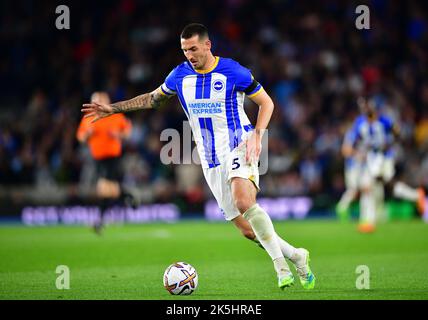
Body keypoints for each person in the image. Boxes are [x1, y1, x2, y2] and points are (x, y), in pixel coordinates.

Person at [81, 23, 315, 290]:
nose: (189, 55)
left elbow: (267, 102)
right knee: (248, 230)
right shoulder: (179, 76)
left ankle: (281, 268)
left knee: (243, 200)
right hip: (210, 159)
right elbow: (152, 99)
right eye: (184, 50)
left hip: (240, 144)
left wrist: (258, 135)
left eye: (193, 48)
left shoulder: (233, 71)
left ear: (207, 45)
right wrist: (113, 108)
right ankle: (297, 255)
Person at [343, 97, 426, 233]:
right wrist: (357, 151)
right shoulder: (360, 123)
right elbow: (354, 140)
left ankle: (369, 221)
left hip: (384, 158)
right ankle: (416, 195)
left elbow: (397, 132)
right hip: (372, 158)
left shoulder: (383, 121)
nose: (367, 111)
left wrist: (391, 142)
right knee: (383, 186)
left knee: (372, 185)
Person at [77, 91, 134, 234]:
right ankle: (128, 197)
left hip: (113, 158)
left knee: (103, 188)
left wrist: (118, 135)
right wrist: (87, 135)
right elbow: (81, 137)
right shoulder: (88, 118)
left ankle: (100, 221)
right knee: (110, 190)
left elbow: (127, 132)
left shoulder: (115, 115)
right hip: (97, 159)